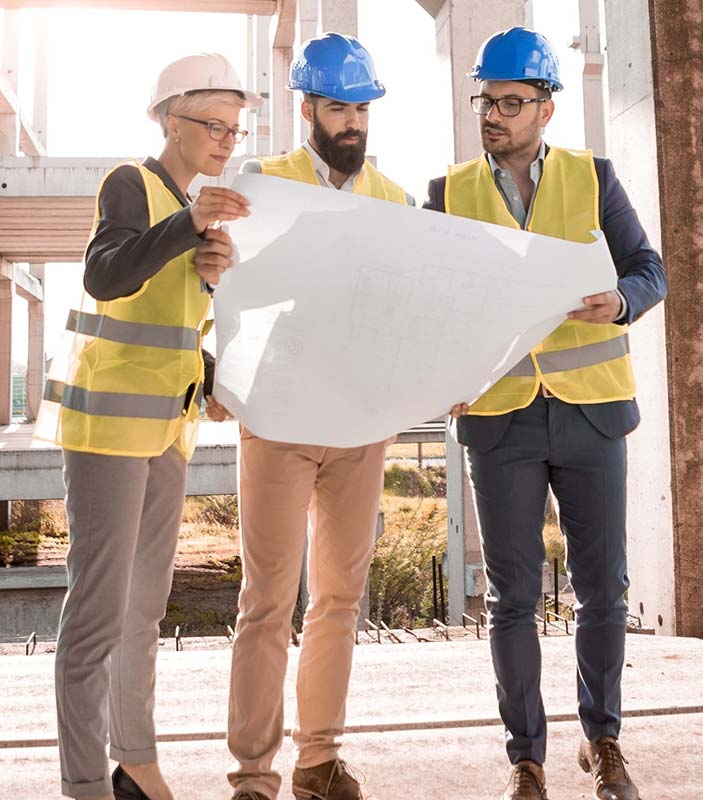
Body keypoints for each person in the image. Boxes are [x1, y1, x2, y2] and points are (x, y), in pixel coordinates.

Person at [423, 27, 667, 800]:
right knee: (512, 599)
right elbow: (426, 304)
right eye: (484, 101)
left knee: (604, 589)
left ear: (545, 108)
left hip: (590, 414)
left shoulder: (592, 178)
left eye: (509, 102)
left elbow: (647, 269)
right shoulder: (447, 192)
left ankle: (603, 742)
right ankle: (525, 759)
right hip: (499, 419)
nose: (491, 115)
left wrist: (619, 301)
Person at [35, 52, 261, 800]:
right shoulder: (130, 182)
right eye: (211, 124)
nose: (226, 139)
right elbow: (105, 274)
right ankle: (83, 783)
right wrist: (186, 226)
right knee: (97, 614)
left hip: (167, 430)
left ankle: (135, 760)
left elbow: (166, 323)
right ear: (170, 120)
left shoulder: (191, 205)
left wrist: (206, 276)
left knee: (142, 608)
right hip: (107, 431)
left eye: (235, 127)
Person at [226, 32, 413, 800]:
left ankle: (317, 760)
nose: (352, 123)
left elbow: (411, 309)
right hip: (277, 417)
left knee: (337, 598)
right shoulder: (261, 184)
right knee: (266, 599)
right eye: (338, 106)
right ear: (307, 108)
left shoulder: (396, 201)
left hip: (360, 422)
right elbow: (225, 289)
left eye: (362, 108)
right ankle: (252, 774)